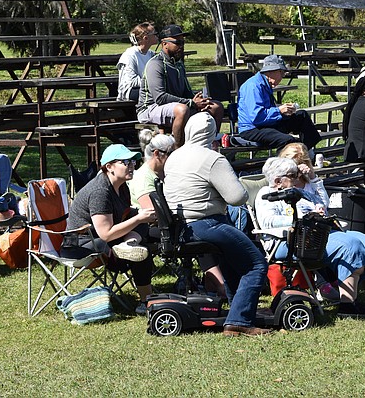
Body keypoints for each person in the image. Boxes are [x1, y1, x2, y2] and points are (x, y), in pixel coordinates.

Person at [163, 112, 268, 337]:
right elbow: (237, 197)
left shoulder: (174, 156)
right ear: (211, 133)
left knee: (231, 262)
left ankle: (237, 311)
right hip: (208, 223)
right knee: (256, 264)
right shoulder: (212, 159)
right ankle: (239, 321)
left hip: (181, 228)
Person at [256, 157, 365, 317]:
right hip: (289, 242)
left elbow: (323, 202)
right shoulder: (267, 194)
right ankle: (347, 305)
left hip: (315, 233)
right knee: (349, 246)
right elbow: (268, 222)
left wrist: (315, 191)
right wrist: (303, 218)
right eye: (292, 175)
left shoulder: (296, 191)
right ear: (277, 181)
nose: (296, 178)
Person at [129, 129, 225, 297]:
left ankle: (215, 283)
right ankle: (220, 285)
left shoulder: (164, 173)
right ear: (157, 154)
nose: (175, 157)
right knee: (196, 233)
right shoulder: (144, 177)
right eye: (171, 153)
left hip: (168, 224)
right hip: (147, 229)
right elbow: (154, 214)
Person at [62, 144, 155, 315]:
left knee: (145, 227)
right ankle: (146, 302)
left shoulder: (121, 187)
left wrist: (142, 215)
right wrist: (139, 217)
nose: (132, 165)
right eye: (126, 162)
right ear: (109, 167)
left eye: (133, 162)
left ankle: (129, 244)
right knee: (142, 250)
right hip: (80, 244)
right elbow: (106, 233)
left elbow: (124, 214)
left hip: (102, 238)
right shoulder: (100, 191)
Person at [137, 24, 224, 146]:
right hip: (150, 109)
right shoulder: (155, 64)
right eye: (177, 43)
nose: (181, 46)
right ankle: (178, 150)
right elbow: (160, 98)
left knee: (216, 107)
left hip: (176, 106)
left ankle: (209, 146)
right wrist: (191, 103)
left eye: (183, 42)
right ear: (164, 44)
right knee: (182, 110)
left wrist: (200, 100)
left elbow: (187, 92)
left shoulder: (179, 65)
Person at [236, 54, 321, 151]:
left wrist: (286, 112)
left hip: (266, 125)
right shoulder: (253, 86)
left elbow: (267, 112)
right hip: (252, 129)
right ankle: (282, 165)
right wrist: (279, 111)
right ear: (271, 71)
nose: (283, 76)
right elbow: (256, 117)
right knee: (288, 140)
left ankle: (308, 154)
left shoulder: (264, 83)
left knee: (302, 116)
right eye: (281, 72)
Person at [117, 22, 157, 102]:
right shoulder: (130, 55)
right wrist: (153, 81)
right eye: (154, 34)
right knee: (158, 94)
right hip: (129, 92)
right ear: (146, 38)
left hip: (146, 88)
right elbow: (131, 81)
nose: (157, 35)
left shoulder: (151, 54)